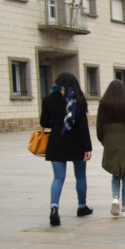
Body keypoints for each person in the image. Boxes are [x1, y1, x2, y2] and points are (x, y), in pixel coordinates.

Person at [40, 71, 93, 226]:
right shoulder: (79, 101)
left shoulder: (48, 99)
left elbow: (44, 122)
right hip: (77, 143)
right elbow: (83, 126)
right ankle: (82, 206)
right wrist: (87, 148)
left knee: (58, 177)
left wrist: (58, 124)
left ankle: (54, 208)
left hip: (56, 142)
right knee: (80, 176)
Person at [96, 80, 125, 217]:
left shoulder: (104, 104)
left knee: (115, 172)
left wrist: (103, 140)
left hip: (110, 141)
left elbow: (99, 126)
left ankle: (115, 197)